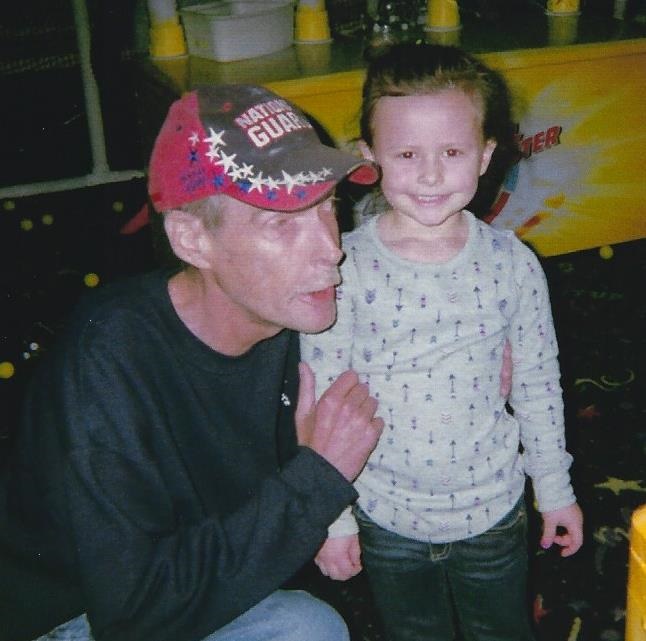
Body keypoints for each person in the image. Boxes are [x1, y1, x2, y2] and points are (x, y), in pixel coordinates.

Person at [0, 84, 385, 641]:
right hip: (76, 613)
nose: (332, 248)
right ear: (192, 240)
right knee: (308, 630)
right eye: (282, 223)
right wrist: (316, 479)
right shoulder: (109, 366)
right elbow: (133, 612)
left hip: (188, 569)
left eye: (329, 207)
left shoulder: (292, 306)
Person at [300, 43, 584, 641]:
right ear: (369, 158)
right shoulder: (345, 267)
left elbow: (537, 384)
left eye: (452, 152)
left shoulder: (513, 265)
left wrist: (555, 490)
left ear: (486, 155)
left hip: (493, 511)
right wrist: (335, 518)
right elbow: (323, 396)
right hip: (386, 515)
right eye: (407, 154)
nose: (431, 175)